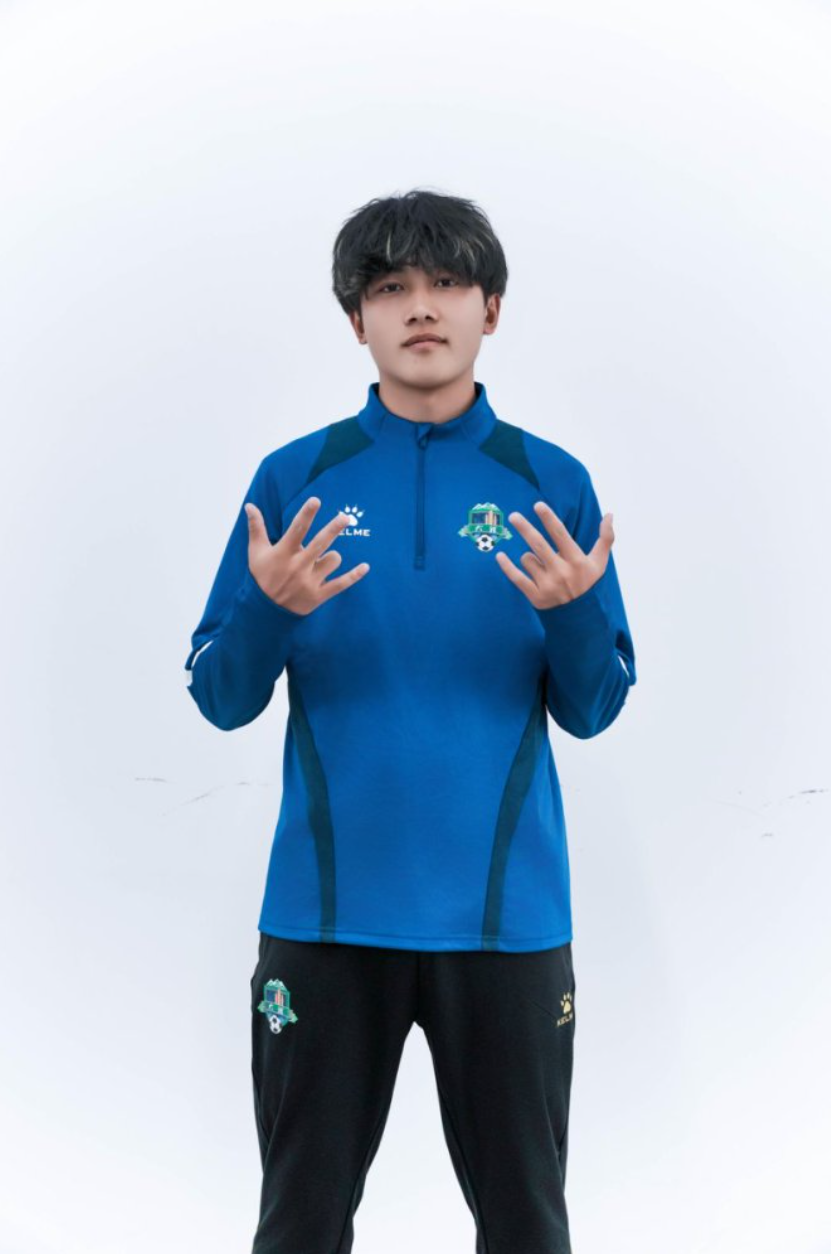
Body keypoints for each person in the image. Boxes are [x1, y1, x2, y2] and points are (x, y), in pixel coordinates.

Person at [184, 188, 637, 1254]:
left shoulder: (550, 483)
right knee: (298, 1224)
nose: (421, 307)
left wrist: (573, 617)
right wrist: (268, 609)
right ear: (357, 320)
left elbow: (594, 708)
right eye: (390, 288)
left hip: (508, 924)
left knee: (527, 1225)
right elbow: (220, 697)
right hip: (325, 922)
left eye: (447, 283)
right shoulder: (296, 481)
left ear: (492, 308)